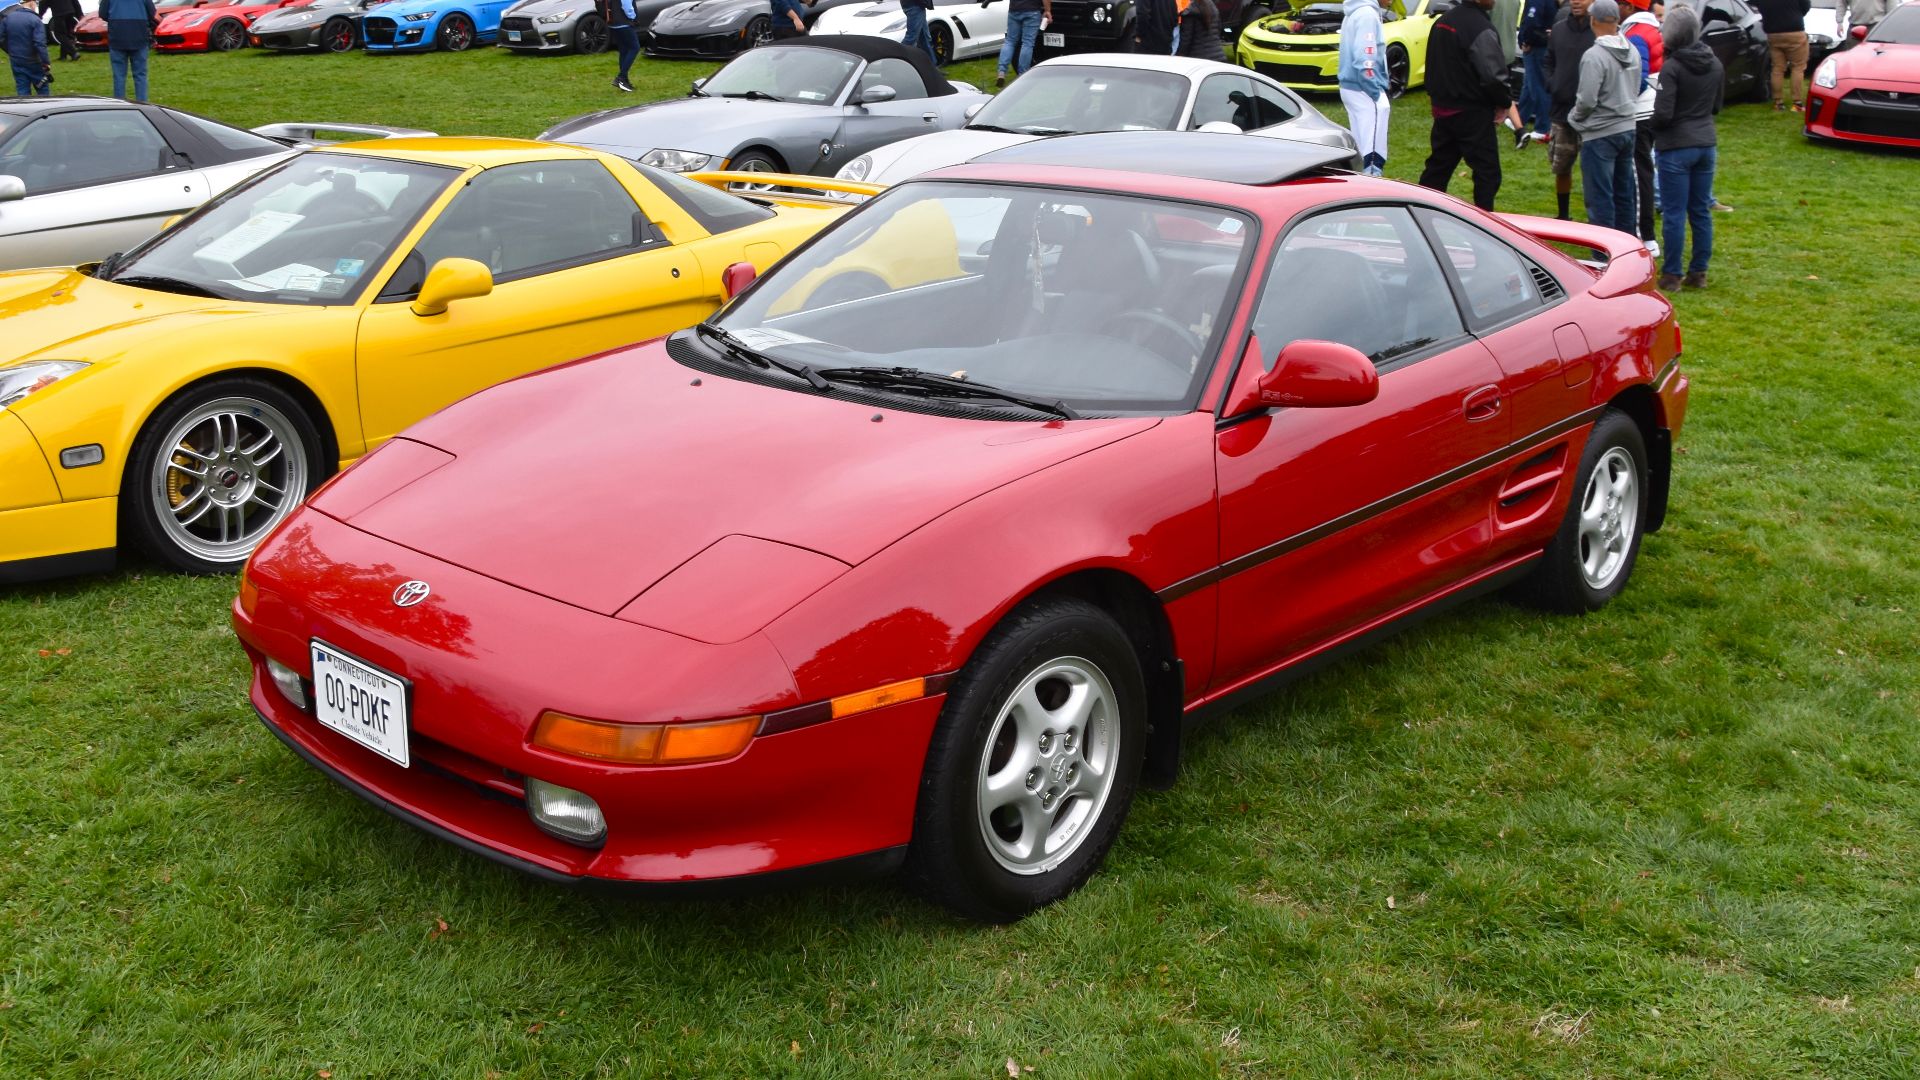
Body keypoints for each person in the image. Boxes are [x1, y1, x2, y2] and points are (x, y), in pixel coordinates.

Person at [1417, 0, 1521, 210]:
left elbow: (1431, 65)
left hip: (1444, 110)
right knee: (1488, 173)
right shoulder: (1479, 27)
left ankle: (1421, 212)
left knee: (1437, 169)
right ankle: (1484, 222)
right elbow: (1493, 75)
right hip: (1471, 112)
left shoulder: (1443, 21)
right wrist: (1503, 102)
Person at [1652, 2, 1719, 289]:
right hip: (1706, 142)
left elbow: (1664, 114)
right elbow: (1716, 106)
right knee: (1700, 210)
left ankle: (1671, 274)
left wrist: (1649, 126)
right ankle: (1698, 272)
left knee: (1674, 212)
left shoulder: (1672, 67)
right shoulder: (1715, 63)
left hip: (1677, 145)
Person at [1570, 0, 1638, 233]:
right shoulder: (1633, 50)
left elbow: (1587, 99)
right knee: (1623, 193)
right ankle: (1627, 247)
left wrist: (1575, 117)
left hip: (1600, 133)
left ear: (1594, 20)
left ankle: (1603, 254)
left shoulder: (1594, 55)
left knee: (1600, 197)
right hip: (1627, 127)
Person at [1542, 0, 1595, 218]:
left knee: (1594, 170)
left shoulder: (1599, 30)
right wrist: (1553, 84)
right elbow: (1548, 61)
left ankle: (1598, 217)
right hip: (1562, 111)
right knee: (1561, 166)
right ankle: (1563, 215)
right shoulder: (1559, 29)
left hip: (1593, 114)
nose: (1576, 1)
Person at [1621, 0, 1663, 253]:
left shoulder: (1635, 34)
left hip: (1639, 112)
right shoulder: (1651, 29)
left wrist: (1620, 100)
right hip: (1650, 109)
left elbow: (1639, 78)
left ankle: (1644, 236)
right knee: (1643, 170)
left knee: (1639, 175)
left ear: (1629, 6)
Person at [1338, 0, 1392, 175]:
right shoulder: (1367, 14)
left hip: (1352, 87)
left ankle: (1360, 182)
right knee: (1372, 151)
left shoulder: (1356, 10)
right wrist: (1375, 92)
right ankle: (1372, 183)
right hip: (1364, 88)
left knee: (1361, 143)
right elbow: (1364, 59)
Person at [1516, 0, 1559, 146]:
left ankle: (1543, 127)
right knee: (1529, 85)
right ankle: (1519, 118)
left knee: (1538, 86)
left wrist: (1526, 39)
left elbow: (1531, 21)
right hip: (1543, 44)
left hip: (1536, 46)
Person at [1754, 0, 1810, 109]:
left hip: (1773, 33)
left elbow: (1757, 6)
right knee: (1798, 67)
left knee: (1777, 68)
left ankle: (1778, 102)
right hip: (1794, 31)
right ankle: (1797, 103)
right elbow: (1806, 7)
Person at [99, 0, 156, 101]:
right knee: (140, 74)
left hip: (117, 36)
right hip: (139, 36)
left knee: (119, 75)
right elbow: (152, 12)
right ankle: (142, 103)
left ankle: (119, 103)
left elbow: (103, 13)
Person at [1, 0, 52, 97]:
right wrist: (46, 62)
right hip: (34, 61)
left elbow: (1, 38)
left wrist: (10, 50)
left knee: (22, 88)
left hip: (16, 59)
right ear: (31, 3)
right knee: (42, 88)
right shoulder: (35, 20)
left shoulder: (8, 18)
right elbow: (40, 43)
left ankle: (24, 109)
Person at [998, 0, 1050, 85]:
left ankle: (1001, 72)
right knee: (1027, 43)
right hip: (1032, 11)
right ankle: (1022, 74)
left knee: (1010, 41)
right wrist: (1047, 11)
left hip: (1014, 10)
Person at [604, 0, 640, 92]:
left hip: (613, 23)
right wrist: (633, 17)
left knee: (623, 51)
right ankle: (621, 77)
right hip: (624, 23)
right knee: (634, 48)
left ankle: (624, 82)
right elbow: (626, 5)